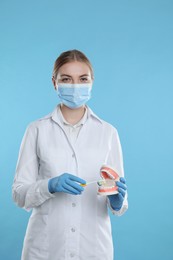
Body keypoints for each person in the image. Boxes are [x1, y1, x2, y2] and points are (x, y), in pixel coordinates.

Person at [12, 49, 128, 260]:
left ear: (92, 81)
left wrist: (118, 201)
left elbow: (117, 196)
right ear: (55, 83)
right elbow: (19, 195)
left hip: (93, 249)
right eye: (66, 79)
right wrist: (49, 185)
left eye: (82, 79)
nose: (75, 86)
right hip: (45, 249)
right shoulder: (36, 130)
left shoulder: (108, 132)